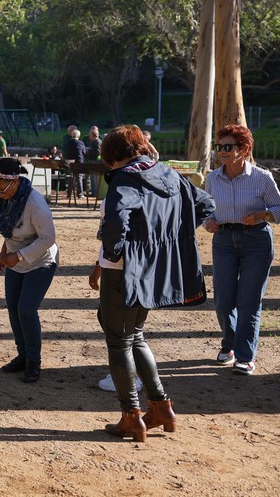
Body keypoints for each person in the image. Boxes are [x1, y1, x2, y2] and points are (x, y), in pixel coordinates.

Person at [90, 124, 213, 442]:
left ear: (113, 156)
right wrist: (164, 240)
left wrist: (116, 250)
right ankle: (161, 407)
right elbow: (206, 206)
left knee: (119, 341)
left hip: (123, 269)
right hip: (151, 268)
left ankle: (131, 417)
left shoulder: (125, 178)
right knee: (135, 336)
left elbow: (117, 220)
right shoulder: (169, 174)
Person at [203, 124, 280, 376]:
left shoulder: (262, 178)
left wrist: (263, 214)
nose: (222, 152)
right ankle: (229, 345)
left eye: (228, 147)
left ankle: (245, 356)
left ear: (244, 149)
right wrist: (207, 221)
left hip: (256, 241)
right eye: (220, 147)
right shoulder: (212, 177)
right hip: (224, 241)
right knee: (223, 301)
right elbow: (207, 209)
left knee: (249, 302)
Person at [0, 158, 57, 384]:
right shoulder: (6, 200)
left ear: (15, 181)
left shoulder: (35, 204)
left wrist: (16, 256)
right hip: (14, 258)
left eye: (1, 188)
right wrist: (3, 252)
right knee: (13, 308)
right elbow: (10, 232)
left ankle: (33, 363)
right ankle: (22, 355)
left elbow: (48, 238)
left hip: (40, 261)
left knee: (26, 310)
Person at [64, 128, 87, 199]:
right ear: (78, 136)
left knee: (72, 177)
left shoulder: (68, 142)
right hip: (79, 161)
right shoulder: (80, 143)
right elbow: (84, 152)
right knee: (79, 177)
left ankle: (69, 194)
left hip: (70, 162)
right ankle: (80, 194)